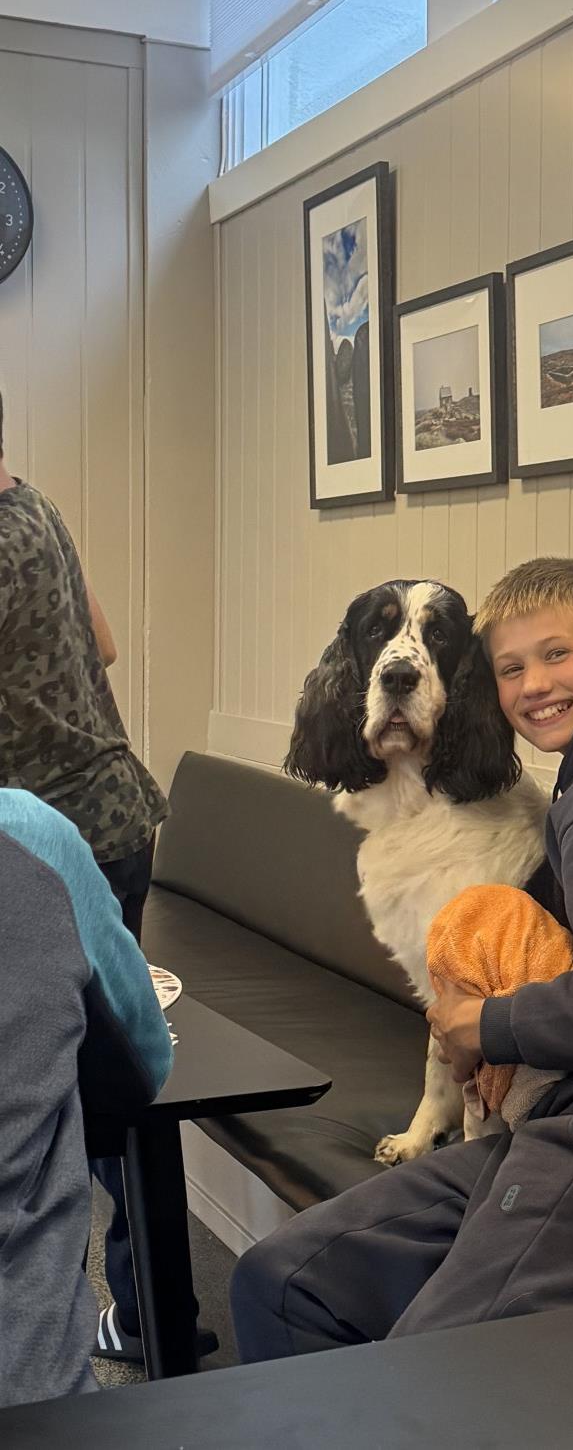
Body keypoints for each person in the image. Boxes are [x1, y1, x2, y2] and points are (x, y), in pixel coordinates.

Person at [231, 555, 573, 1357]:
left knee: (438, 1359)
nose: (533, 685)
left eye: (556, 654)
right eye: (511, 668)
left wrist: (484, 1025)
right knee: (283, 1277)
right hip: (571, 1113)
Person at [0, 392, 181, 1364]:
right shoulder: (33, 502)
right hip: (104, 820)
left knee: (64, 1094)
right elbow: (102, 645)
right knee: (92, 1077)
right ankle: (147, 1312)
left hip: (41, 843)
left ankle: (88, 1323)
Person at [0, 789, 173, 1407]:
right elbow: (141, 1063)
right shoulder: (27, 832)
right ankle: (137, 1317)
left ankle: (134, 1315)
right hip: (31, 1390)